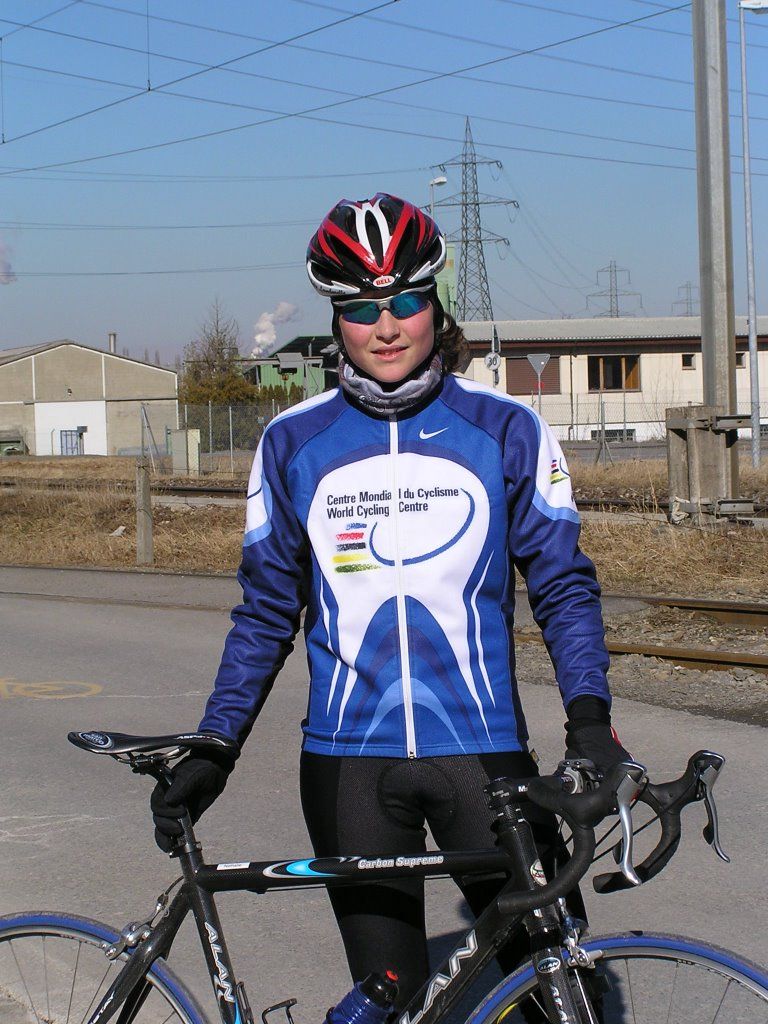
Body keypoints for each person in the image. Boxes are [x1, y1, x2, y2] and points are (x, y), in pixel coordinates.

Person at [151, 193, 630, 1008]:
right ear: (335, 319)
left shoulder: (506, 428)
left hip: (482, 756)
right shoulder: (292, 442)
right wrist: (216, 744)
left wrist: (590, 722)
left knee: (560, 986)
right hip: (349, 768)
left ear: (435, 305)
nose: (386, 326)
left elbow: (562, 586)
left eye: (406, 301)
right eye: (360, 308)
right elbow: (265, 613)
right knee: (389, 996)